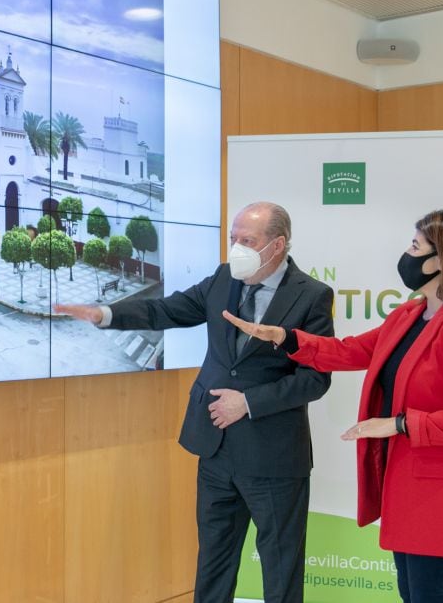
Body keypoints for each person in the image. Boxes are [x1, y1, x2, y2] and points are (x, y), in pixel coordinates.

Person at [56, 202, 334, 603]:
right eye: (232, 238)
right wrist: (105, 314)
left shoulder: (311, 296)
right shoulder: (224, 278)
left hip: (273, 457)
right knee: (214, 562)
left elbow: (315, 379)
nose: (235, 248)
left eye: (247, 241)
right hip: (215, 448)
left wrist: (248, 403)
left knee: (281, 566)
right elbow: (166, 309)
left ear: (277, 245)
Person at [223, 208, 443, 603]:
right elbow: (352, 351)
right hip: (408, 484)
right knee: (413, 594)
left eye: (415, 246)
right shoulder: (411, 313)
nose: (406, 254)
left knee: (433, 594)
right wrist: (286, 338)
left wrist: (399, 424)